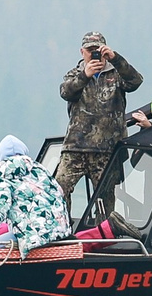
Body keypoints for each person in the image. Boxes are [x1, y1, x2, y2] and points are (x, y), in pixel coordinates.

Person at [56, 30, 144, 216]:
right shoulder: (74, 74)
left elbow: (136, 81)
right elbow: (66, 92)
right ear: (82, 52)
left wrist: (116, 58)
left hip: (107, 149)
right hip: (76, 147)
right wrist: (85, 76)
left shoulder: (116, 73)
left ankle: (102, 237)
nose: (94, 53)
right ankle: (63, 231)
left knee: (105, 198)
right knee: (59, 188)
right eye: (90, 50)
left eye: (98, 49)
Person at [0, 134, 71, 251]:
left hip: (34, 236)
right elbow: (60, 194)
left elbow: (0, 208)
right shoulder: (39, 169)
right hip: (60, 233)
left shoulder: (2, 172)